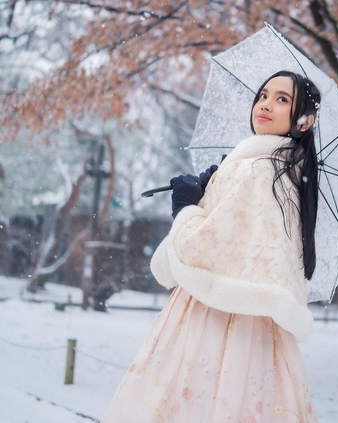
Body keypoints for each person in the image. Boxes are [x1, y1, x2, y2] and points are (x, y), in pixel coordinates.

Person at [100, 70, 321, 423]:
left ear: (305, 121)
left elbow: (197, 249)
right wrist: (213, 192)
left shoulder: (256, 170)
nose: (265, 104)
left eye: (282, 99)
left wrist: (186, 205)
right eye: (263, 94)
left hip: (211, 318)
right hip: (261, 333)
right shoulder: (288, 175)